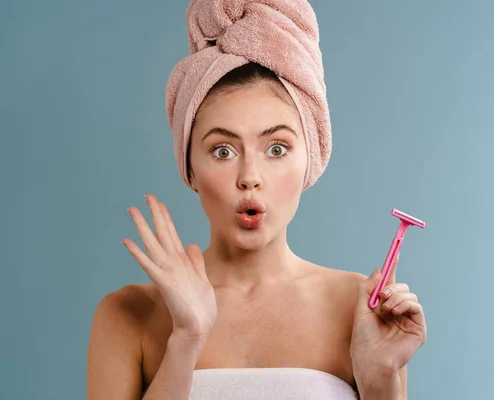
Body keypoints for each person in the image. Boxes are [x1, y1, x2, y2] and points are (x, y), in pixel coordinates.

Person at [86, 1, 427, 399]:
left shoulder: (364, 310)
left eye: (277, 149)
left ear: (310, 160)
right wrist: (186, 340)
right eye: (223, 151)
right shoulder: (127, 316)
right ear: (189, 167)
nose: (250, 177)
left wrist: (381, 380)